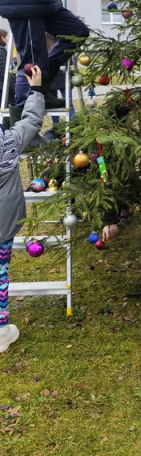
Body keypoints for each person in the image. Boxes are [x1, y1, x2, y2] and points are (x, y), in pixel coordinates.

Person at [0, 65, 45, 352]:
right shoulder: (9, 144)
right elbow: (30, 121)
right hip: (3, 224)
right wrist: (37, 90)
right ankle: (1, 330)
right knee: (0, 273)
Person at [0, 29, 15, 124]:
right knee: (6, 114)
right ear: (2, 37)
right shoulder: (2, 52)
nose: (9, 39)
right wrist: (15, 89)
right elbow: (5, 73)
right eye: (7, 37)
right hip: (3, 90)